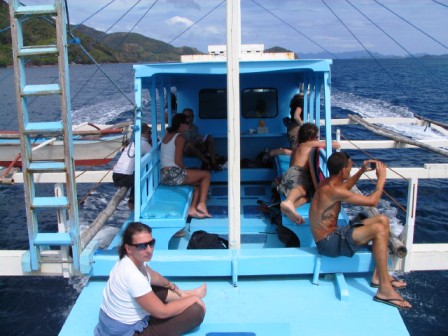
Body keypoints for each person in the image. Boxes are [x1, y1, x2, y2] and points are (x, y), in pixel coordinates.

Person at [309, 152, 411, 309]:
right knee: (378, 229)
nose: (351, 169)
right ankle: (384, 290)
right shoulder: (332, 190)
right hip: (328, 243)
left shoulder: (328, 184)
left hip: (333, 235)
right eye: (350, 167)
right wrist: (382, 178)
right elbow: (372, 201)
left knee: (382, 219)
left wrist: (361, 170)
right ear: (343, 170)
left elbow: (345, 187)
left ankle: (378, 276)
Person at [94, 222, 206, 336]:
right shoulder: (133, 276)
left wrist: (169, 284)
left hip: (108, 326)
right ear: (128, 248)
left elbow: (153, 276)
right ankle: (188, 296)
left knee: (153, 286)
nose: (149, 250)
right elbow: (163, 312)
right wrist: (194, 299)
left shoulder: (127, 260)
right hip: (126, 333)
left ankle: (184, 294)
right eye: (142, 246)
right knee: (196, 311)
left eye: (151, 243)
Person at [278, 123, 340, 224]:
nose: (317, 139)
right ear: (311, 138)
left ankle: (289, 208)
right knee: (301, 189)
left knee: (307, 198)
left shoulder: (298, 146)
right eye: (317, 137)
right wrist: (320, 143)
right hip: (297, 173)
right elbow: (335, 145)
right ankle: (288, 202)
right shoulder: (309, 144)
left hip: (290, 174)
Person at [161, 113, 212, 219]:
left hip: (164, 174)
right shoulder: (180, 137)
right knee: (206, 175)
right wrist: (186, 169)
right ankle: (202, 204)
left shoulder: (168, 134)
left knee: (199, 182)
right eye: (187, 123)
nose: (189, 125)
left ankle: (192, 209)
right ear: (181, 124)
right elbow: (178, 161)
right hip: (172, 174)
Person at [113, 123, 152, 207]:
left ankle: (132, 202)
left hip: (115, 176)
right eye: (149, 132)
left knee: (136, 171)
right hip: (125, 177)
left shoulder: (132, 143)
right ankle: (134, 201)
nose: (150, 135)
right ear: (144, 133)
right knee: (143, 173)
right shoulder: (143, 143)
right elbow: (153, 154)